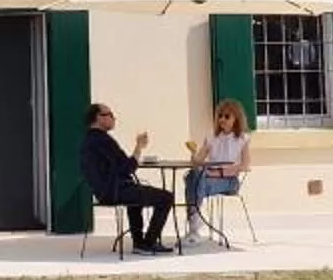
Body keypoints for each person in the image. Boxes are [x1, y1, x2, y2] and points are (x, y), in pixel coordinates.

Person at [79, 101, 174, 254]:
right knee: (166, 197)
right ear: (98, 118)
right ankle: (147, 243)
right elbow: (128, 167)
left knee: (136, 197)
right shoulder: (104, 141)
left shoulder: (88, 141)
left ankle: (139, 243)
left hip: (103, 192)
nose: (113, 118)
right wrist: (139, 147)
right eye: (109, 114)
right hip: (115, 191)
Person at [184, 98, 249, 241]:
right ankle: (195, 221)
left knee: (193, 180)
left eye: (227, 116)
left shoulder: (243, 139)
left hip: (229, 181)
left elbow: (245, 166)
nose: (222, 119)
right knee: (192, 176)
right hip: (207, 178)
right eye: (220, 116)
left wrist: (217, 173)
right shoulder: (212, 137)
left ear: (236, 119)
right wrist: (193, 153)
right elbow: (198, 161)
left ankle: (194, 223)